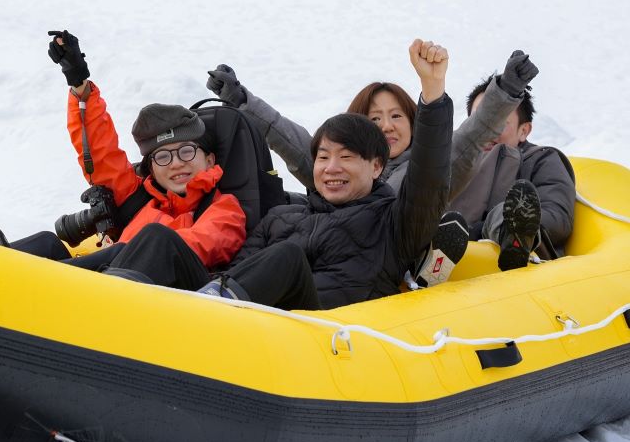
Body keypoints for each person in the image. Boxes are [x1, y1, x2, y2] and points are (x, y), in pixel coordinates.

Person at [0, 30, 248, 289]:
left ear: (209, 160)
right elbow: (102, 156)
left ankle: (8, 275)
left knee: (154, 238)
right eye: (164, 156)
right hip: (103, 282)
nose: (177, 163)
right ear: (151, 168)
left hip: (156, 294)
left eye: (186, 152)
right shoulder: (143, 200)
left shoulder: (224, 209)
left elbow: (200, 245)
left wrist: (125, 253)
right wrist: (79, 84)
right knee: (48, 242)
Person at [208, 49, 541, 284]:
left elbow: (469, 138)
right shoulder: (344, 168)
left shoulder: (424, 171)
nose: (386, 126)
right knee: (288, 203)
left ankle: (430, 267)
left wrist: (507, 90)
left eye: (396, 116)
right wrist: (242, 101)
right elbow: (292, 142)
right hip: (336, 258)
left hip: (397, 244)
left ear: (414, 123)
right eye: (374, 118)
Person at [196, 39, 453, 310]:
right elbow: (236, 272)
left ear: (376, 166)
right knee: (160, 239)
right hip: (241, 317)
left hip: (312, 328)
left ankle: (203, 315)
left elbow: (428, 179)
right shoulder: (281, 217)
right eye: (323, 157)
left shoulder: (392, 223)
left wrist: (433, 89)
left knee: (287, 256)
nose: (332, 167)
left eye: (346, 157)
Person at [447, 75, 576, 270]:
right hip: (457, 258)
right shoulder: (456, 163)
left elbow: (557, 217)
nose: (486, 130)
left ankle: (512, 235)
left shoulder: (541, 160)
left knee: (509, 212)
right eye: (480, 121)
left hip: (511, 260)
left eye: (498, 121)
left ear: (523, 130)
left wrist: (477, 231)